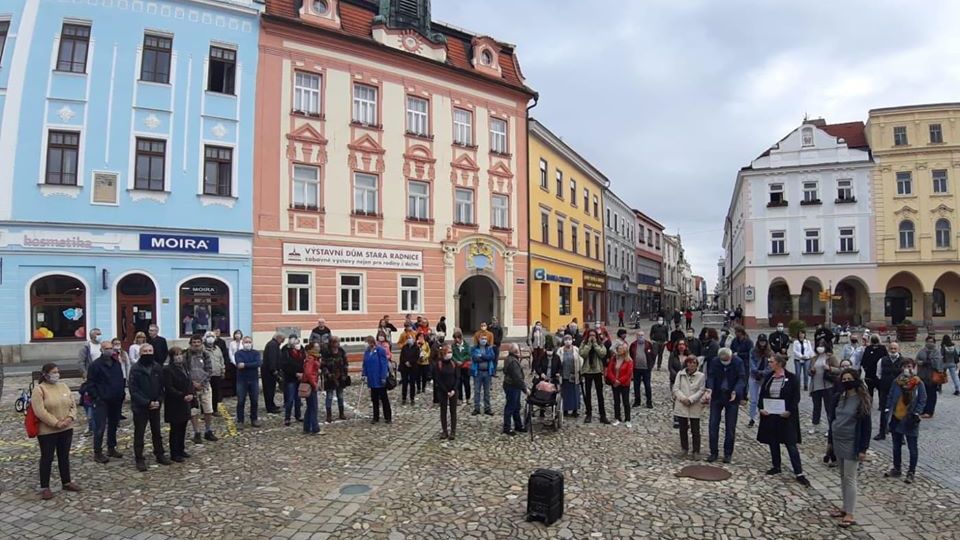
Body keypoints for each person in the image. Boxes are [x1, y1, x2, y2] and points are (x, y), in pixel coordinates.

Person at [757, 354, 810, 487]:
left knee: (790, 444)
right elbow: (762, 394)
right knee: (773, 441)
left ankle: (799, 472)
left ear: (779, 363)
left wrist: (789, 411)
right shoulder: (769, 377)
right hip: (771, 414)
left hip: (786, 416)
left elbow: (795, 397)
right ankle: (776, 465)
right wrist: (761, 407)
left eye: (772, 362)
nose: (769, 364)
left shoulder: (791, 378)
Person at [830, 368, 872, 528]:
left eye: (849, 379)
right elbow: (833, 418)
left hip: (852, 442)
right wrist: (830, 441)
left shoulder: (861, 400)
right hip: (838, 440)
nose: (846, 382)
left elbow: (866, 427)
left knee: (850, 477)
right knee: (842, 476)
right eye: (844, 379)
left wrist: (863, 449)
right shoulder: (839, 397)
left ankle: (850, 513)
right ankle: (845, 506)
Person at [32, 363, 81, 499]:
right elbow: (40, 411)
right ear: (45, 374)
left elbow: (73, 405)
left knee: (64, 456)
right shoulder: (39, 389)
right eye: (53, 372)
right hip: (47, 431)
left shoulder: (63, 386)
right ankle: (45, 487)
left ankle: (66, 481)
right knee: (47, 458)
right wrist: (56, 423)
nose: (56, 375)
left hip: (66, 428)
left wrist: (69, 418)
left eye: (57, 372)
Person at [127, 344, 171, 472]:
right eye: (145, 351)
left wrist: (158, 400)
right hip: (140, 407)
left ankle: (160, 454)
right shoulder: (135, 369)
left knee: (156, 431)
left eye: (150, 351)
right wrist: (147, 402)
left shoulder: (157, 367)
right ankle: (139, 458)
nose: (148, 353)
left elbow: (162, 387)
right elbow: (134, 390)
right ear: (140, 353)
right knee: (139, 433)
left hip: (155, 405)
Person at [884, 358, 927, 484]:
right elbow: (891, 396)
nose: (907, 369)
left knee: (912, 447)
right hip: (897, 416)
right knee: (896, 446)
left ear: (913, 368)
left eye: (909, 366)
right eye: (905, 366)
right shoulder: (897, 381)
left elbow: (922, 399)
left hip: (910, 418)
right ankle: (897, 468)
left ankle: (911, 472)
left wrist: (917, 412)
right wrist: (888, 410)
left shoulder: (918, 382)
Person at [86, 339, 126, 464]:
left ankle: (111, 447)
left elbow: (120, 379)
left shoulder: (116, 363)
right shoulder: (95, 365)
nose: (109, 350)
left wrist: (121, 393)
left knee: (113, 425)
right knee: (100, 427)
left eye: (110, 348)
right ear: (101, 350)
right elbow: (90, 383)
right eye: (106, 348)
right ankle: (97, 452)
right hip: (101, 400)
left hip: (115, 399)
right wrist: (96, 397)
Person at [704, 347, 745, 463]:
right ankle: (713, 452)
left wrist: (736, 391)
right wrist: (709, 389)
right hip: (717, 396)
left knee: (730, 427)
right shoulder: (715, 362)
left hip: (731, 398)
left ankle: (728, 453)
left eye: (726, 360)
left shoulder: (738, 362)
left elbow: (742, 379)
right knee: (713, 425)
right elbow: (711, 376)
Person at [162, 347, 194, 462]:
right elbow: (169, 387)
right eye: (176, 355)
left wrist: (191, 393)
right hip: (174, 402)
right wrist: (182, 395)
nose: (179, 357)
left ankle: (181, 449)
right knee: (175, 428)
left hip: (185, 402)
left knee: (183, 427)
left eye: (180, 354)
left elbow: (189, 381)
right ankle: (174, 453)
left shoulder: (184, 367)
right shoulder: (167, 369)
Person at [185, 335, 217, 444]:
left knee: (208, 410)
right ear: (191, 343)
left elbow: (209, 370)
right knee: (194, 411)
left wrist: (202, 383)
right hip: (191, 388)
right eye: (194, 342)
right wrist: (192, 383)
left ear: (201, 343)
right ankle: (197, 432)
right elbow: (185, 371)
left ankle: (208, 430)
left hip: (205, 386)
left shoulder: (205, 354)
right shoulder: (186, 355)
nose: (196, 344)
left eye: (198, 342)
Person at [673, 355, 705, 459]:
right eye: (690, 363)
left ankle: (696, 450)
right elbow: (676, 388)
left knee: (695, 429)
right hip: (682, 404)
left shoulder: (701, 376)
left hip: (694, 405)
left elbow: (701, 390)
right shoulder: (680, 374)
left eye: (694, 363)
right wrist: (683, 398)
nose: (691, 365)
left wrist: (691, 399)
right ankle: (684, 448)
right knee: (683, 428)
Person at [808, 339, 840, 435]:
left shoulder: (831, 357)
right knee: (816, 408)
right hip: (816, 386)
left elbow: (839, 370)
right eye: (818, 345)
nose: (820, 347)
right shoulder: (814, 358)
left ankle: (830, 428)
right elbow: (808, 371)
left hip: (828, 386)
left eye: (822, 345)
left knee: (829, 408)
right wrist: (811, 371)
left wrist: (830, 368)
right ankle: (815, 426)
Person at [874, 342, 903, 441]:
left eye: (895, 348)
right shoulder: (882, 360)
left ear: (898, 349)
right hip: (885, 390)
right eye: (891, 348)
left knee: (900, 412)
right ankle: (882, 432)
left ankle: (900, 434)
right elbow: (878, 374)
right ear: (888, 349)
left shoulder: (903, 361)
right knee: (884, 411)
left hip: (899, 391)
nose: (893, 350)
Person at [579, 330, 610, 424]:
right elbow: (582, 354)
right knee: (588, 394)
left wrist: (595, 344)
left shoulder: (600, 343)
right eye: (590, 335)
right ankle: (589, 413)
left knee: (600, 394)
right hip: (588, 371)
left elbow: (602, 353)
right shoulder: (584, 343)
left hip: (597, 371)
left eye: (594, 335)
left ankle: (602, 415)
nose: (592, 337)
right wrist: (589, 344)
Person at [362, 336, 392, 424]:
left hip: (379, 378)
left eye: (367, 342)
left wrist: (383, 376)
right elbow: (365, 364)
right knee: (374, 398)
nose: (366, 344)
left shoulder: (380, 350)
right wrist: (364, 374)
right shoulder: (367, 352)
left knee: (384, 398)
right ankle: (376, 417)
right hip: (371, 378)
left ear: (371, 342)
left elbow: (384, 364)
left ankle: (388, 417)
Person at [233, 335, 262, 428]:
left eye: (249, 342)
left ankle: (254, 419)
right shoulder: (238, 353)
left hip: (254, 380)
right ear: (242, 343)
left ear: (252, 343)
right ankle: (240, 421)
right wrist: (251, 364)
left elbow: (258, 363)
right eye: (246, 342)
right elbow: (239, 364)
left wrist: (245, 365)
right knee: (241, 401)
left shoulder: (256, 353)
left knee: (254, 401)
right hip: (242, 380)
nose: (248, 344)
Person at [321, 336, 349, 422]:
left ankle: (341, 413)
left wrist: (345, 374)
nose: (338, 344)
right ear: (332, 343)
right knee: (329, 396)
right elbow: (323, 365)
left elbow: (345, 363)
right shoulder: (326, 352)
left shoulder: (341, 351)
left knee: (340, 395)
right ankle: (329, 415)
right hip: (330, 377)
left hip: (340, 376)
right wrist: (328, 374)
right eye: (337, 342)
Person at [502, 344, 528, 436]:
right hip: (512, 386)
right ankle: (507, 428)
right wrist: (525, 389)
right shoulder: (513, 362)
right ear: (516, 352)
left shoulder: (509, 358)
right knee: (511, 407)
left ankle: (518, 425)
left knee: (516, 406)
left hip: (512, 385)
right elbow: (517, 378)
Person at [605, 343, 633, 427]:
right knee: (616, 401)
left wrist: (619, 381)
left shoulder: (629, 360)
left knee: (626, 401)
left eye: (621, 349)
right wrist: (614, 380)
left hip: (624, 384)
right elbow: (609, 370)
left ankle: (627, 419)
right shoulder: (614, 359)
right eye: (618, 349)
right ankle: (617, 417)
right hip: (615, 383)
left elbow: (628, 374)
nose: (619, 350)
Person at [748, 334, 772, 428]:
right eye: (761, 341)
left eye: (764, 341)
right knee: (753, 399)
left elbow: (770, 365)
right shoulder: (753, 351)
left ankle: (763, 416)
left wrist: (763, 372)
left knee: (763, 398)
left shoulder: (770, 353)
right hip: (754, 376)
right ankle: (752, 418)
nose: (762, 343)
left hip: (764, 377)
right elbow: (751, 362)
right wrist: (756, 371)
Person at [915, 335, 943, 418]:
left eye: (931, 342)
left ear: (934, 343)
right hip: (922, 376)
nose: (930, 343)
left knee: (931, 394)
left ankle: (929, 411)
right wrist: (919, 362)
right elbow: (916, 360)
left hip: (932, 377)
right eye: (928, 341)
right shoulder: (922, 351)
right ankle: (922, 409)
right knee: (922, 394)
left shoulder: (936, 352)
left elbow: (937, 363)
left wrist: (924, 362)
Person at [436, 344, 460, 439]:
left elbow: (457, 377)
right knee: (443, 411)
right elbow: (438, 379)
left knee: (453, 411)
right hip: (443, 391)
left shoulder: (454, 363)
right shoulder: (439, 364)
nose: (450, 354)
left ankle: (453, 431)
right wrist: (446, 391)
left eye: (451, 352)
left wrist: (453, 389)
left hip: (453, 390)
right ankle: (444, 431)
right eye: (448, 352)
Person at [281, 334, 305, 426]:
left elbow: (304, 361)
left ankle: (298, 415)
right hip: (290, 378)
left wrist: (302, 373)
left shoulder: (301, 349)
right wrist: (295, 373)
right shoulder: (285, 350)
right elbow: (285, 365)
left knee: (298, 398)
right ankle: (287, 418)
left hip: (300, 377)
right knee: (290, 399)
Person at [471, 335, 496, 415]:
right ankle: (476, 408)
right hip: (477, 372)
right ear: (479, 339)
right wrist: (486, 357)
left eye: (485, 338)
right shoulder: (474, 348)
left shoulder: (489, 348)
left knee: (487, 392)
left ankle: (487, 408)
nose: (484, 340)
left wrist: (481, 356)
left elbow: (492, 357)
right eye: (482, 338)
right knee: (477, 391)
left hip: (487, 372)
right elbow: (475, 358)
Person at [559, 335, 583, 417]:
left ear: (572, 340)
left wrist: (580, 371)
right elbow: (558, 360)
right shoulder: (560, 350)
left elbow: (580, 360)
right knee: (565, 393)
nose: (568, 341)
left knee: (575, 393)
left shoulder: (576, 349)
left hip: (574, 374)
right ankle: (565, 409)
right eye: (566, 339)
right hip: (564, 375)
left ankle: (575, 410)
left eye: (569, 339)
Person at [203, 331, 226, 413]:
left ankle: (215, 409)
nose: (210, 338)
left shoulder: (217, 348)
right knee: (206, 394)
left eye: (212, 336)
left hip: (217, 373)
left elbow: (221, 360)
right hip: (206, 375)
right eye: (208, 336)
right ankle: (205, 411)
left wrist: (223, 370)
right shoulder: (203, 349)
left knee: (216, 392)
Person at [301, 342, 322, 435]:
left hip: (310, 382)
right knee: (313, 407)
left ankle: (306, 427)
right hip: (310, 384)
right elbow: (309, 373)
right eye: (317, 347)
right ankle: (315, 428)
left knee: (310, 407)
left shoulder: (313, 357)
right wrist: (314, 384)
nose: (319, 348)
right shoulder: (311, 358)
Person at [630, 332, 655, 408]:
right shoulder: (633, 344)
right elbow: (631, 354)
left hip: (646, 369)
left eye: (642, 335)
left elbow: (653, 355)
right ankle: (637, 401)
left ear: (644, 336)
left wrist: (651, 365)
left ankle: (649, 402)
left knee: (647, 385)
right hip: (636, 368)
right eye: (639, 335)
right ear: (636, 336)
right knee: (636, 386)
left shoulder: (648, 344)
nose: (640, 337)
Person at [860, 335, 887, 402]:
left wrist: (866, 369)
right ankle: (877, 403)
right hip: (874, 374)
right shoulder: (881, 348)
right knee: (877, 390)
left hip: (874, 373)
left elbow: (863, 361)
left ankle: (872, 403)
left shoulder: (870, 348)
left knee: (872, 390)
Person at [262, 333, 284, 414]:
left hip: (269, 371)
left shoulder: (273, 344)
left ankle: (272, 405)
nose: (282, 342)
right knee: (269, 390)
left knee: (271, 389)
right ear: (278, 338)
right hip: (269, 371)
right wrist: (274, 370)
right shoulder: (273, 345)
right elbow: (272, 358)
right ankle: (270, 407)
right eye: (282, 340)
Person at [399, 333, 419, 405]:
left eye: (411, 338)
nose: (409, 340)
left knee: (412, 384)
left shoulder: (416, 348)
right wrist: (406, 362)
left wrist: (410, 362)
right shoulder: (404, 347)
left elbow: (416, 357)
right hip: (404, 367)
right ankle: (404, 398)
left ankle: (412, 398)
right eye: (408, 338)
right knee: (404, 383)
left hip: (413, 367)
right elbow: (402, 357)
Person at [452, 330, 471, 401]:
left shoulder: (466, 345)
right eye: (455, 338)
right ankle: (460, 398)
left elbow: (468, 354)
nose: (457, 340)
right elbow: (452, 355)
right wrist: (456, 361)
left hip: (465, 366)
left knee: (467, 383)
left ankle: (468, 398)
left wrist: (462, 361)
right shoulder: (453, 345)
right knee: (458, 383)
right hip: (457, 366)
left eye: (458, 338)